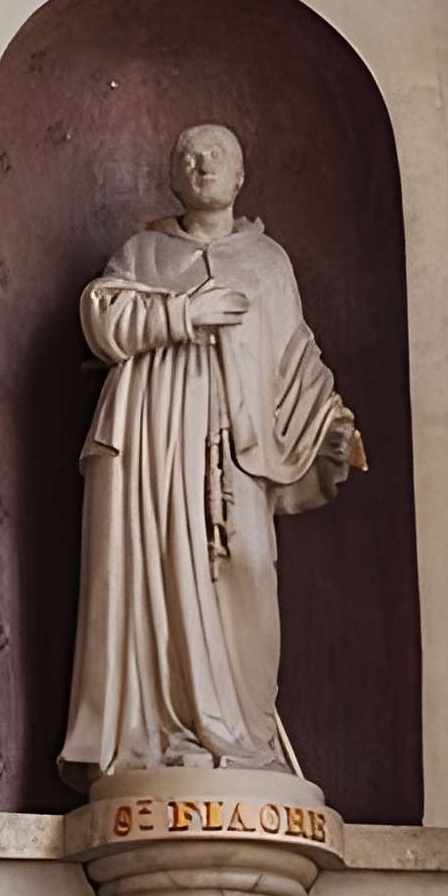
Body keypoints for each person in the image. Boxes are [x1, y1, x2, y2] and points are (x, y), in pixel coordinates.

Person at [60, 124, 361, 783]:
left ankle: (248, 737)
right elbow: (101, 310)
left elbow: (295, 360)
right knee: (162, 574)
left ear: (240, 173)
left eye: (216, 155)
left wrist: (329, 426)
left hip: (238, 453)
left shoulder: (268, 262)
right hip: (155, 451)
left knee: (248, 566)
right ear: (173, 176)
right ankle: (165, 734)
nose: (202, 166)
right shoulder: (144, 253)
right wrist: (179, 315)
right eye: (189, 157)